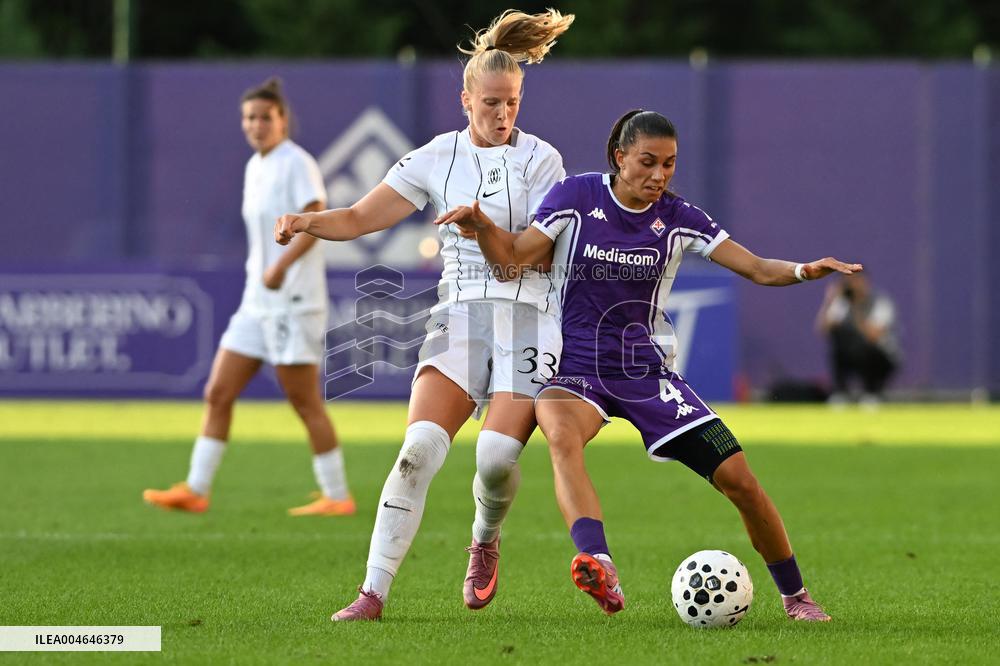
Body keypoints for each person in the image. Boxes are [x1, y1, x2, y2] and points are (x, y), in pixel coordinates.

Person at [437, 109, 862, 622]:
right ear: (620, 158)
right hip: (576, 368)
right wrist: (482, 225)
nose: (659, 175)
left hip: (646, 372)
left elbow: (755, 267)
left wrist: (802, 270)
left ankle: (797, 597)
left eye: (669, 164)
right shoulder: (576, 197)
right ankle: (599, 562)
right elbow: (511, 262)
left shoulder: (681, 217)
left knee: (741, 481)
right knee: (561, 436)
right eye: (648, 162)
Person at [274, 9, 575, 621]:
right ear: (464, 99)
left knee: (494, 461)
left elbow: (529, 263)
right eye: (490, 102)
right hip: (460, 313)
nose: (502, 114)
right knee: (417, 450)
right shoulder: (437, 157)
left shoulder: (544, 161)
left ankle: (485, 539)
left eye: (511, 102)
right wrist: (309, 220)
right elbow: (360, 217)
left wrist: (484, 227)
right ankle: (372, 593)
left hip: (529, 317)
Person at [143, 78, 354, 517]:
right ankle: (197, 489)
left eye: (265, 117)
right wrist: (265, 274)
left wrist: (280, 267)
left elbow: (315, 219)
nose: (256, 125)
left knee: (304, 400)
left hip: (293, 302)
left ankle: (337, 496)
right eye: (249, 118)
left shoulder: (297, 162)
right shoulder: (255, 166)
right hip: (256, 302)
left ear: (282, 121)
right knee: (218, 391)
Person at [816, 272, 899, 405]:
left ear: (865, 282)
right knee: (838, 337)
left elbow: (873, 336)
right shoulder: (842, 303)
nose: (852, 285)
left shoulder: (880, 302)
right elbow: (823, 330)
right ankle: (841, 392)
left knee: (866, 347)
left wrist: (856, 307)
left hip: (881, 358)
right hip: (852, 356)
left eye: (855, 281)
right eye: (848, 282)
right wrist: (829, 301)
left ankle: (871, 393)